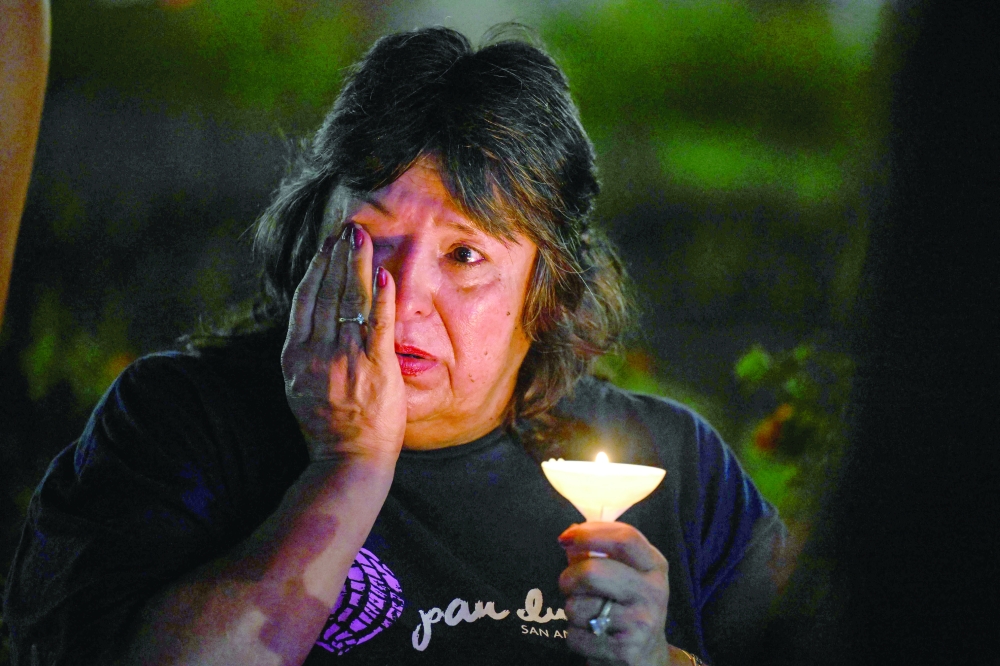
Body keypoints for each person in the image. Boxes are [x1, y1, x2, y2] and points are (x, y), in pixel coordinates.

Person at [4, 26, 785, 665]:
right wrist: (347, 468)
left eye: (464, 256)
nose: (404, 293)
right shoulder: (180, 424)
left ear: (547, 293)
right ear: (314, 232)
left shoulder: (675, 471)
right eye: (373, 235)